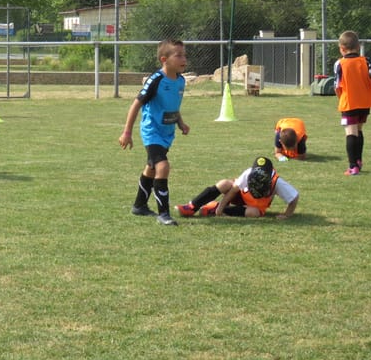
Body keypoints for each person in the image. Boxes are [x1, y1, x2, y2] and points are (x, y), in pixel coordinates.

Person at [118, 39, 189, 226]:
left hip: (167, 132)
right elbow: (136, 104)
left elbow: (172, 105)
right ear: (164, 59)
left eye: (184, 55)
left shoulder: (181, 81)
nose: (184, 59)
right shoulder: (156, 79)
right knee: (162, 166)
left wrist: (181, 123)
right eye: (179, 55)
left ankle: (139, 205)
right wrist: (127, 132)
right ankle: (163, 214)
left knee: (151, 168)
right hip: (152, 131)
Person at [176, 156, 299, 220]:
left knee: (254, 213)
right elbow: (234, 189)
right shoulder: (248, 173)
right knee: (224, 183)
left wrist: (287, 215)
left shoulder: (277, 182)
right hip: (241, 195)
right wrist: (221, 206)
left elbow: (294, 197)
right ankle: (192, 206)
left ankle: (212, 209)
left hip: (255, 206)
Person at [333, 30, 371, 175]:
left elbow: (337, 86)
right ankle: (358, 161)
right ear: (358, 47)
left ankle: (352, 166)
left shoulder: (340, 63)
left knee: (351, 132)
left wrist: (341, 98)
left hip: (349, 102)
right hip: (365, 103)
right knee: (359, 130)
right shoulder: (366, 61)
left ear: (342, 49)